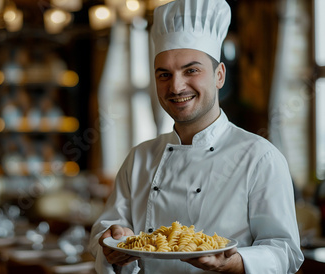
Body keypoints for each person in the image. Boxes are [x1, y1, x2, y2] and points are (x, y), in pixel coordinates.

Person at [88, 0, 304, 273]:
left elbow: (284, 251)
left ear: (219, 76)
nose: (176, 86)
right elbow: (106, 230)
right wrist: (111, 240)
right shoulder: (139, 157)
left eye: (191, 70)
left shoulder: (260, 157)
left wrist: (233, 263)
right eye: (164, 74)